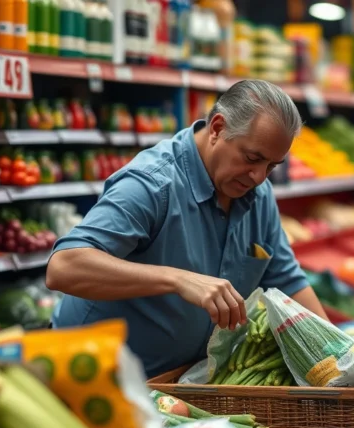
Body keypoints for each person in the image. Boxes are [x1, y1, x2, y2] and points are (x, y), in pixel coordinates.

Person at [46, 80, 327, 377]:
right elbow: (63, 267)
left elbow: (288, 281)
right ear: (218, 128)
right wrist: (178, 279)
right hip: (92, 376)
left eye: (272, 166)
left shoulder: (258, 196)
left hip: (176, 384)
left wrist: (336, 353)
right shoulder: (153, 184)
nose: (259, 176)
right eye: (252, 158)